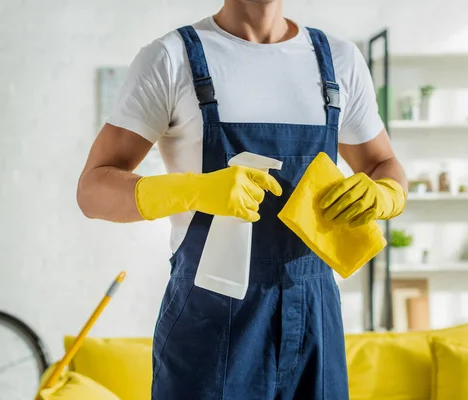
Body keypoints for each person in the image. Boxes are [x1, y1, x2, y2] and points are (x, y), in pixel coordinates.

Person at [77, 0, 407, 398]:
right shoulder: (172, 58)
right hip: (211, 322)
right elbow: (93, 192)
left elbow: (383, 163)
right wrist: (193, 190)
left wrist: (386, 193)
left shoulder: (338, 61)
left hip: (316, 318)